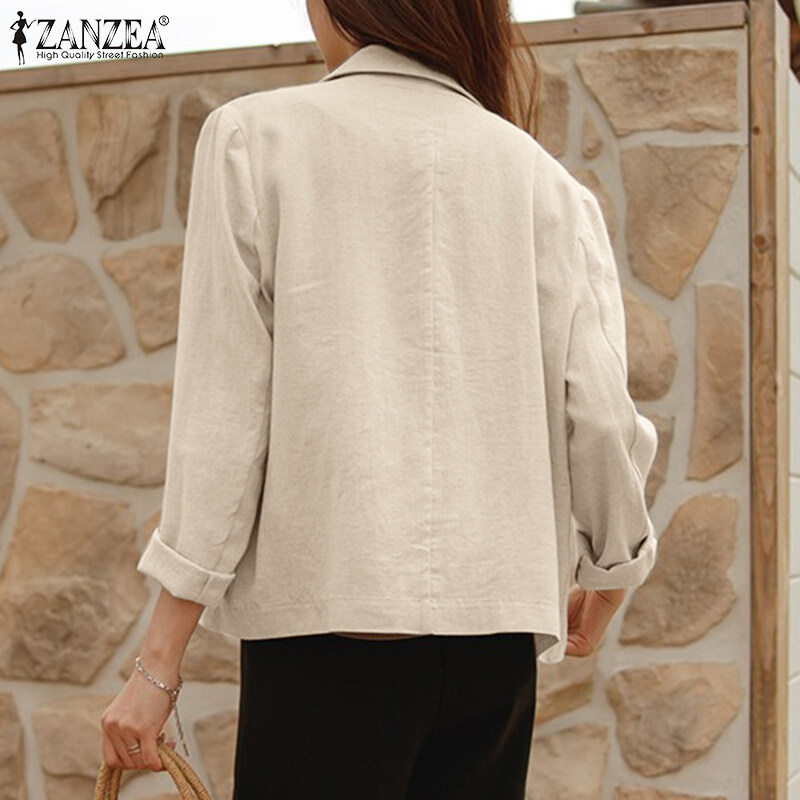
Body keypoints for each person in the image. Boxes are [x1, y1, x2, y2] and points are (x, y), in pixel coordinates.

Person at [100, 1, 660, 797]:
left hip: (329, 642)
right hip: (492, 648)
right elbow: (602, 417)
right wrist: (611, 574)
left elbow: (224, 422)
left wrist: (157, 665)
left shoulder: (254, 140)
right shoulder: (547, 184)